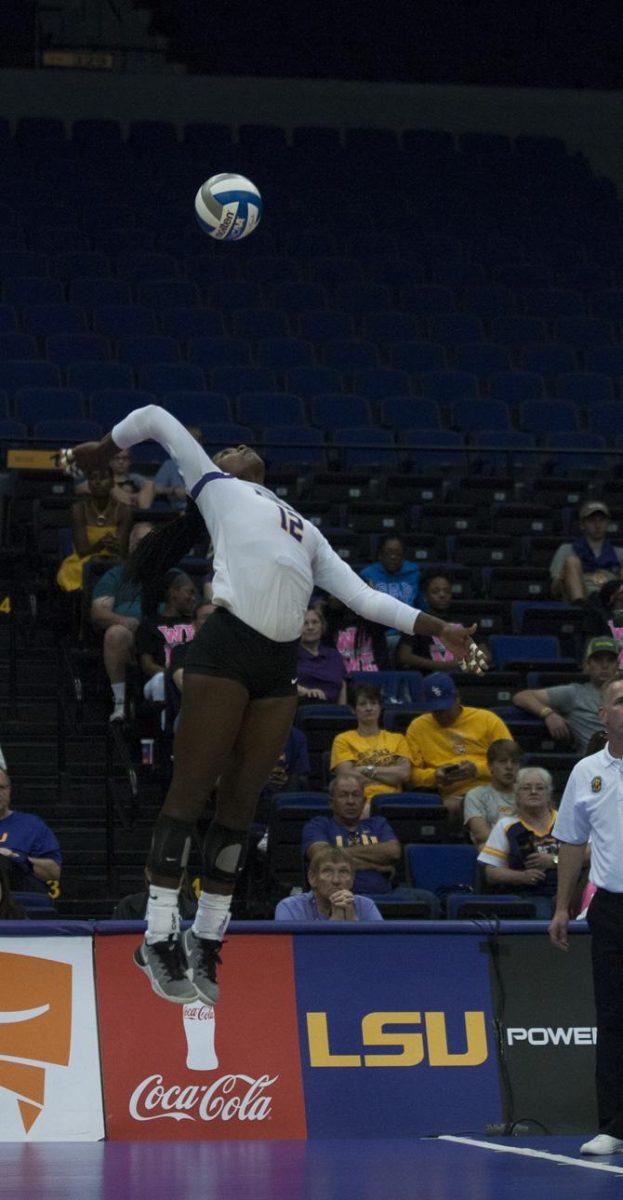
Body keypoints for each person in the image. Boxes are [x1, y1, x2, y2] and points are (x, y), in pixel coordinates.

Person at [60, 403, 483, 1004]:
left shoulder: (303, 528)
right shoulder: (216, 487)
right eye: (225, 448)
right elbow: (154, 416)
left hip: (276, 666)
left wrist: (439, 627)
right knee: (191, 792)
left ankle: (207, 940)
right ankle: (157, 935)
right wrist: (102, 450)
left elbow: (365, 598)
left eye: (238, 448)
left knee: (239, 807)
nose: (232, 449)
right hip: (226, 648)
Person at [549, 677, 623, 1155]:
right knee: (613, 1017)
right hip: (613, 908)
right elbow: (571, 842)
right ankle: (613, 1126)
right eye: (620, 700)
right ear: (603, 716)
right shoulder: (586, 772)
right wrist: (561, 906)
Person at [301, 772, 439, 913]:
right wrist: (376, 866)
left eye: (356, 795)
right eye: (343, 795)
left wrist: (338, 856)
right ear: (331, 802)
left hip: (384, 893)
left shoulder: (378, 823)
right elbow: (322, 856)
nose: (350, 801)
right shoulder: (318, 825)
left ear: (364, 800)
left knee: (427, 898)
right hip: (337, 895)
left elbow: (393, 851)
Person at [405, 673, 512, 832]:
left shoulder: (487, 719)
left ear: (457, 698)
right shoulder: (417, 727)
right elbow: (412, 775)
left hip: (494, 788)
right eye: (436, 710)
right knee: (453, 807)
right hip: (455, 796)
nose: (441, 714)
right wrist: (435, 776)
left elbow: (510, 762)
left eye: (445, 708)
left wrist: (476, 770)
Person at [512, 635, 620, 755]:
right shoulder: (574, 693)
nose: (604, 666)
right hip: (596, 764)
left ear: (617, 665)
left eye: (610, 660)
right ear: (587, 665)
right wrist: (548, 713)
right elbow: (522, 696)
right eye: (598, 660)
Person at [477, 766, 562, 918]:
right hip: (528, 895)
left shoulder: (566, 821)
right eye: (526, 788)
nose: (534, 792)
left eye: (540, 788)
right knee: (540, 912)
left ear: (549, 793)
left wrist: (554, 861)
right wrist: (522, 877)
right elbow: (491, 873)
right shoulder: (506, 825)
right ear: (517, 794)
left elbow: (590, 854)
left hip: (569, 892)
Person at [90, 521, 154, 721]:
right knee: (115, 633)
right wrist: (124, 621)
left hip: (166, 635)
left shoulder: (172, 574)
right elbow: (98, 612)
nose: (144, 546)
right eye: (139, 541)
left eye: (150, 542)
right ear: (131, 545)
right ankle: (121, 702)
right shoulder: (115, 575)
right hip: (132, 636)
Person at [330, 682, 412, 807]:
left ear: (380, 707)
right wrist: (390, 775)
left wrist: (365, 769)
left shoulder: (398, 739)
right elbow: (346, 778)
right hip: (360, 802)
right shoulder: (343, 740)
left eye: (373, 703)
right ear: (353, 709)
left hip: (393, 802)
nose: (369, 708)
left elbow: (404, 775)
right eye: (363, 704)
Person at [56, 466, 133, 592]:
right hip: (84, 560)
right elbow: (82, 551)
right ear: (89, 484)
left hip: (114, 560)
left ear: (113, 483)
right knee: (77, 570)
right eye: (93, 478)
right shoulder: (78, 509)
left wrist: (113, 545)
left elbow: (122, 550)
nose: (97, 482)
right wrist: (100, 545)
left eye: (103, 478)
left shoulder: (124, 511)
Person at [397, 571, 490, 674]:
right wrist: (443, 666)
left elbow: (485, 654)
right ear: (425, 596)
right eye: (435, 591)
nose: (442, 595)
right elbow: (404, 656)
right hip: (427, 678)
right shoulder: (417, 621)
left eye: (446, 591)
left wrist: (465, 663)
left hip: (463, 677)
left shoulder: (465, 620)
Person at [274, 846, 383, 922]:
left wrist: (351, 918)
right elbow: (297, 952)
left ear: (352, 879)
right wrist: (336, 919)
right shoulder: (290, 908)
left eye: (343, 872)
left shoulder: (366, 906)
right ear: (312, 878)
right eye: (327, 871)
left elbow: (380, 949)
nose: (336, 880)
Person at [136, 570, 197, 705]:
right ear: (173, 592)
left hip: (191, 678)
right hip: (160, 678)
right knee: (160, 681)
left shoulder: (195, 623)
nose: (193, 598)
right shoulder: (150, 624)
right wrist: (173, 675)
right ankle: (163, 722)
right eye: (190, 592)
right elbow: (147, 665)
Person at [0, 768, 61, 895]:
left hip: (20, 905)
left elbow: (54, 872)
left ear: (9, 790)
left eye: (1, 787)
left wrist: (16, 859)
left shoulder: (32, 825)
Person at [550, 500, 623, 603]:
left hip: (610, 600)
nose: (597, 525)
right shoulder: (566, 549)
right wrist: (562, 578)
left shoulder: (620, 553)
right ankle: (580, 607)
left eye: (602, 520)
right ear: (582, 525)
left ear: (607, 524)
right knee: (572, 561)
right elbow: (554, 590)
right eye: (592, 521)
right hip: (582, 598)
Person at [463, 739, 521, 851]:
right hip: (494, 851)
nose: (509, 767)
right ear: (490, 766)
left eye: (514, 762)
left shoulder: (526, 793)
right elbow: (482, 834)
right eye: (503, 761)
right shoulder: (476, 795)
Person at [322, 595, 389, 674]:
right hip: (339, 677)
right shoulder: (331, 620)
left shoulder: (373, 622)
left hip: (372, 677)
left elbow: (381, 654)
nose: (331, 597)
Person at [75, 447, 155, 510]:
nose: (121, 462)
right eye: (117, 458)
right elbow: (79, 488)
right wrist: (132, 496)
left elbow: (150, 489)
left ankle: (144, 516)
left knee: (149, 484)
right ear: (109, 460)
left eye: (125, 458)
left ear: (130, 461)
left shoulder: (134, 477)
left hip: (136, 515)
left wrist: (133, 496)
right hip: (111, 516)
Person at [297, 607, 347, 703]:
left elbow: (342, 685)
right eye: (305, 623)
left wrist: (342, 714)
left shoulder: (335, 656)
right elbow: (287, 683)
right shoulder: (291, 656)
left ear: (322, 627)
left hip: (333, 712)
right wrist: (306, 692)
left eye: (315, 622)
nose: (310, 627)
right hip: (303, 708)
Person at [112, 867, 197, 921]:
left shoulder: (194, 913)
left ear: (182, 877)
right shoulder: (127, 907)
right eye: (163, 873)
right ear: (148, 873)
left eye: (175, 873)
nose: (169, 880)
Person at [153, 424, 203, 512]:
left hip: (203, 511)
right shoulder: (170, 465)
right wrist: (172, 490)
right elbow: (155, 488)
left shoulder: (209, 465)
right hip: (178, 512)